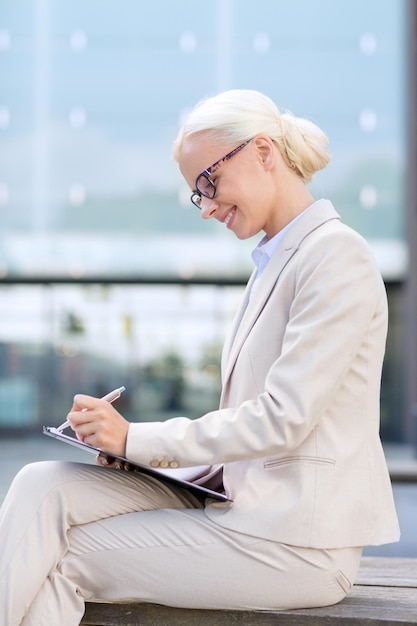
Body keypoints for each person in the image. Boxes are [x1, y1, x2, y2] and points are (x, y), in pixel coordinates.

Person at [0, 89, 400, 625]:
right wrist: (136, 455)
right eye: (197, 195)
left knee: (62, 557)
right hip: (235, 504)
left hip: (297, 542)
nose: (207, 207)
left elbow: (284, 418)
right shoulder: (273, 263)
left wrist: (136, 438)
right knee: (40, 484)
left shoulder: (336, 255)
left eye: (208, 183)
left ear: (263, 152)